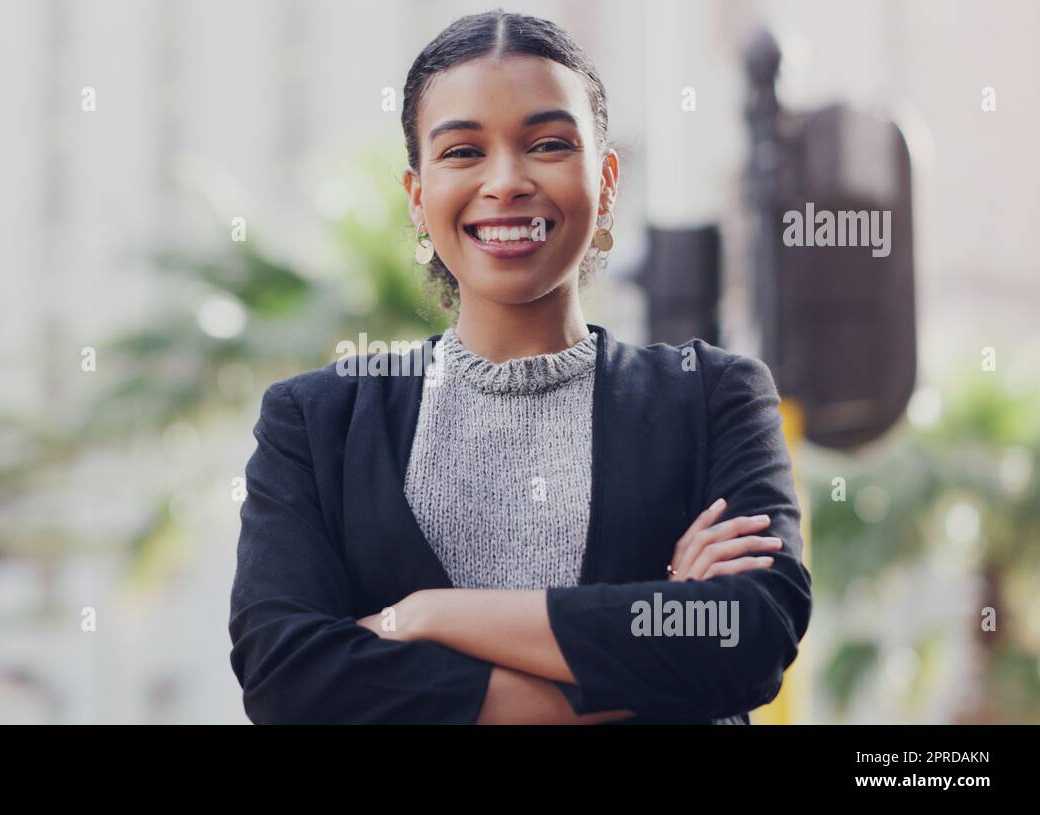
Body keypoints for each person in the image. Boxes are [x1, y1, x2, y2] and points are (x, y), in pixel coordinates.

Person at [228, 8, 812, 724]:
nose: (505, 182)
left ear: (606, 178)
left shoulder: (713, 395)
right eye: (463, 152)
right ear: (417, 197)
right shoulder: (317, 423)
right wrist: (649, 662)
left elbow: (746, 632)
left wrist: (426, 615)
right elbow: (288, 675)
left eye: (547, 144)